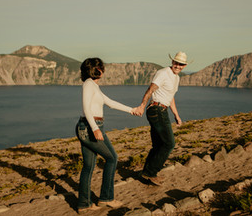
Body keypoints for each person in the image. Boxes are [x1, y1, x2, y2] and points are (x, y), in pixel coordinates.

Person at [75, 57, 138, 213]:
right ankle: (106, 199)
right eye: (100, 68)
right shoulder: (89, 85)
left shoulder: (93, 86)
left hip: (88, 126)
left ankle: (84, 204)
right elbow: (86, 108)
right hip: (90, 127)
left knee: (88, 166)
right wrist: (95, 128)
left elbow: (110, 102)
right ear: (98, 70)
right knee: (112, 158)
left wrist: (132, 110)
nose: (102, 70)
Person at [134, 51, 189, 186]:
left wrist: (176, 115)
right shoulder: (163, 73)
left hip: (162, 110)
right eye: (176, 63)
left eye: (181, 64)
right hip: (156, 109)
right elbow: (150, 90)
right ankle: (151, 173)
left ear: (184, 66)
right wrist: (142, 105)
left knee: (158, 145)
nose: (178, 66)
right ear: (172, 62)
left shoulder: (176, 78)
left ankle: (146, 172)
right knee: (169, 144)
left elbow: (170, 98)